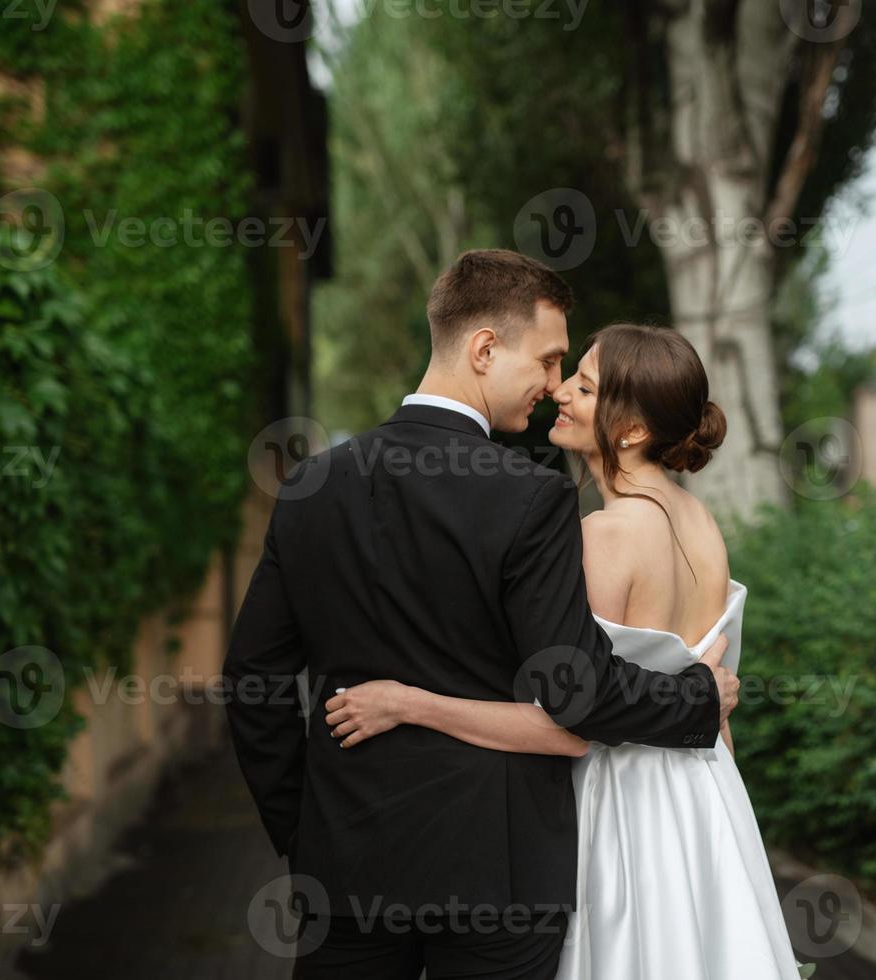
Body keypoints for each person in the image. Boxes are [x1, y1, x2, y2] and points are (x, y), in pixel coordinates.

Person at [223, 250, 741, 979]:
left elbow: (253, 678)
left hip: (346, 869)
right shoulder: (531, 499)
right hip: (501, 879)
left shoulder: (314, 484)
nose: (554, 386)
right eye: (551, 360)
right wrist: (694, 699)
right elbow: (575, 691)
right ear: (485, 348)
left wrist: (304, 830)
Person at [328, 322, 802, 978]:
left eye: (585, 385)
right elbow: (712, 706)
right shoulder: (700, 522)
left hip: (624, 810)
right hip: (706, 799)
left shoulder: (606, 535)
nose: (561, 393)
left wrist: (408, 703)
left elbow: (568, 724)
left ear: (632, 430)